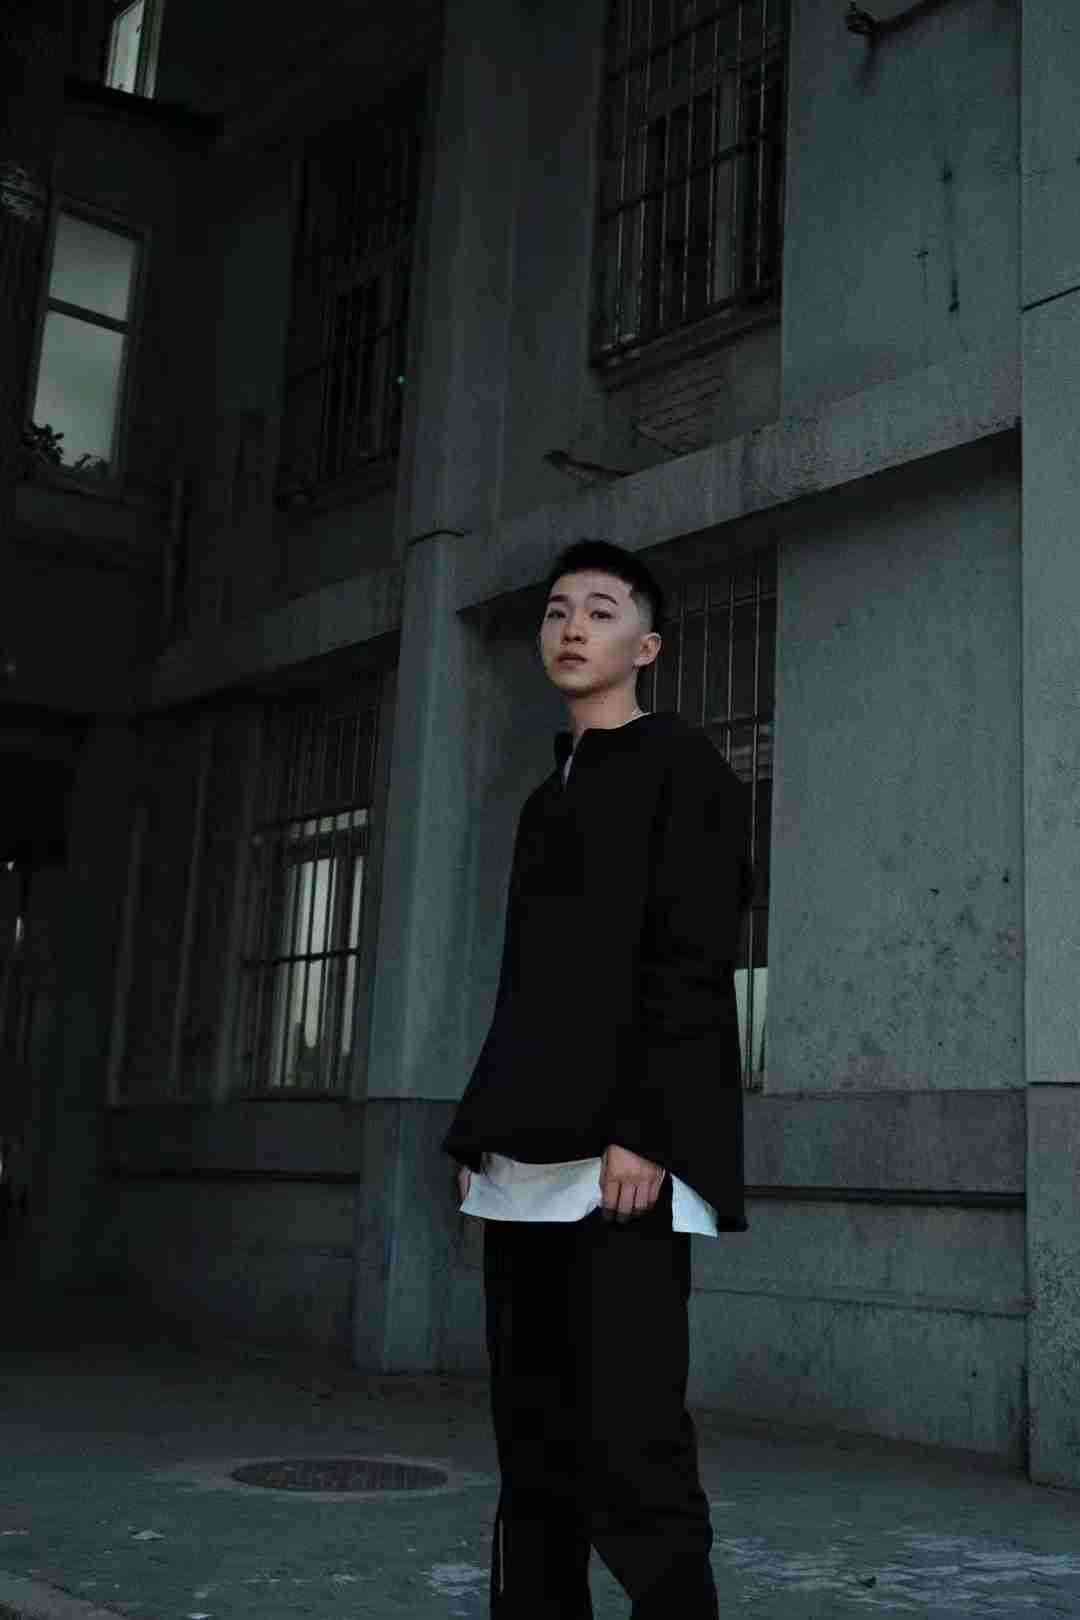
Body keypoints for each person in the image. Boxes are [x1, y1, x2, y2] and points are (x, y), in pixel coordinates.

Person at [442, 538, 754, 1618]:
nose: (573, 627)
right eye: (557, 611)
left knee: (630, 1442)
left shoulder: (684, 768)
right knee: (531, 1447)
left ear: (647, 647)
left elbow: (692, 955)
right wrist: (479, 1130)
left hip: (623, 1159)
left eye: (603, 611)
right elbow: (529, 983)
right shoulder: (547, 798)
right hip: (525, 1158)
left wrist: (648, 1126)